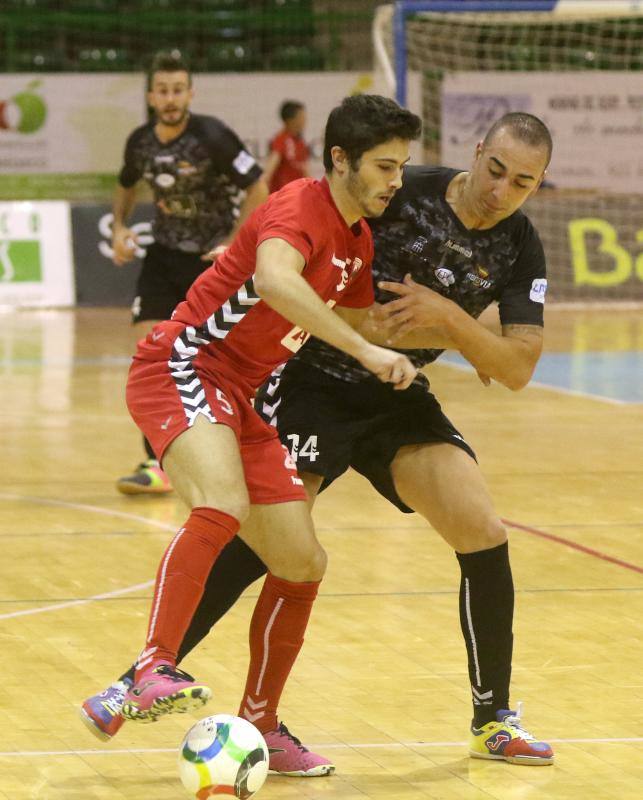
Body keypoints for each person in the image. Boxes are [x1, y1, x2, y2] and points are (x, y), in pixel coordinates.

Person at [82, 112, 554, 767]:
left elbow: (514, 367)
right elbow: (310, 281)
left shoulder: (508, 243)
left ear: (537, 186)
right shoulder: (390, 191)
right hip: (307, 381)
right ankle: (142, 673)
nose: (501, 190)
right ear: (475, 153)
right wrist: (393, 336)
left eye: (523, 183)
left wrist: (447, 324)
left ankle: (490, 721)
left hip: (392, 392)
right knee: (254, 534)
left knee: (473, 529)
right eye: (495, 170)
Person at [81, 94, 422, 775]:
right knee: (220, 504)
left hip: (242, 397)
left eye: (401, 167)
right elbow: (275, 280)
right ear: (339, 160)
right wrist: (364, 352)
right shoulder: (299, 208)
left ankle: (261, 722)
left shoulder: (357, 241)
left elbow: (372, 325)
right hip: (183, 363)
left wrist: (464, 329)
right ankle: (150, 667)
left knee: (301, 561)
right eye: (384, 166)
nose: (395, 181)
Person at [112, 50, 269, 496]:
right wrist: (121, 226)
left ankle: (243, 452)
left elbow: (258, 187)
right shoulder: (140, 141)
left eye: (178, 89)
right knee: (152, 355)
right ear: (150, 95)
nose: (170, 98)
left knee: (223, 363)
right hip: (163, 257)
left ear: (190, 92)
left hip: (211, 263)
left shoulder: (214, 136)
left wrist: (235, 244)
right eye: (162, 90)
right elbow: (125, 183)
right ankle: (156, 460)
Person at [262, 100, 310, 193]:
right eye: (301, 117)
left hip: (298, 196)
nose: (305, 120)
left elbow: (306, 172)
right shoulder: (281, 140)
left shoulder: (300, 143)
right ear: (290, 120)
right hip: (283, 197)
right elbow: (269, 171)